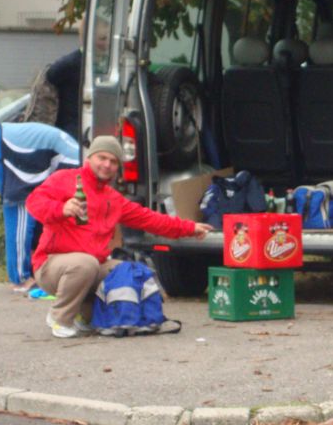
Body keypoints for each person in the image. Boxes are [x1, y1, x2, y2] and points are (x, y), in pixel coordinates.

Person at [25, 135, 213, 338]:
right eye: (102, 158)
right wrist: (61, 208)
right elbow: (33, 203)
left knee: (128, 271)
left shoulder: (113, 199)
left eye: (113, 161)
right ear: (90, 158)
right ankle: (59, 317)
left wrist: (190, 228)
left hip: (90, 267)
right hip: (51, 265)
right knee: (85, 264)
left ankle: (86, 316)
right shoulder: (65, 179)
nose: (107, 165)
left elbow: (150, 219)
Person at [0, 122, 80, 290]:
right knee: (21, 209)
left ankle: (28, 265)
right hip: (7, 144)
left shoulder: (79, 161)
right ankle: (20, 278)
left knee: (28, 212)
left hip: (9, 142)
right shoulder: (77, 167)